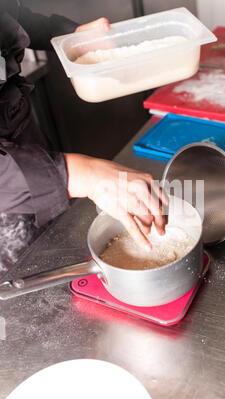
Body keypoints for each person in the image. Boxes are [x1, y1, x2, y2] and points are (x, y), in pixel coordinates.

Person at [0, 1, 167, 278]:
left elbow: (16, 18)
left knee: (53, 243)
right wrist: (81, 175)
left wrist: (72, 36)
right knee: (25, 275)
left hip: (29, 142)